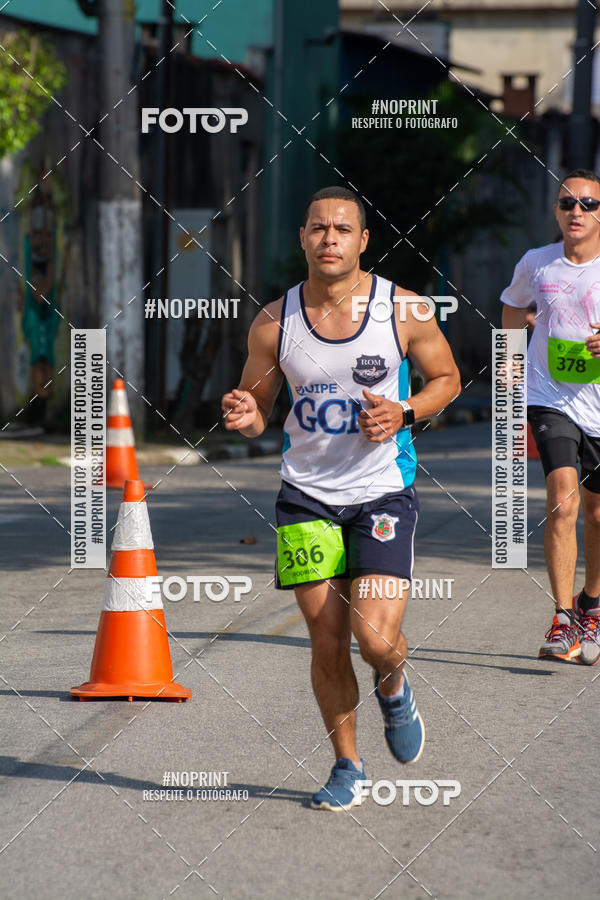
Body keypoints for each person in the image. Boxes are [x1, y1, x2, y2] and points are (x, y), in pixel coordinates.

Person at [222, 186, 461, 810]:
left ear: (362, 241)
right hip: (305, 497)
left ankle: (393, 683)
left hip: (382, 493)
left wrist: (405, 411)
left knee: (375, 640)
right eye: (318, 228)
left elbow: (448, 379)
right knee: (326, 639)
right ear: (303, 238)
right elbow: (258, 408)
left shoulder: (402, 310)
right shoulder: (274, 322)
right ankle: (347, 765)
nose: (329, 238)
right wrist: (246, 413)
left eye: (342, 229)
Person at [501, 169, 600, 665]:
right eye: (568, 203)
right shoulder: (537, 264)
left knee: (598, 513)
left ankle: (592, 605)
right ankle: (564, 620)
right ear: (556, 211)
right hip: (551, 398)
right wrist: (512, 366)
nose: (576, 211)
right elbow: (512, 307)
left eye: (588, 204)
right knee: (563, 504)